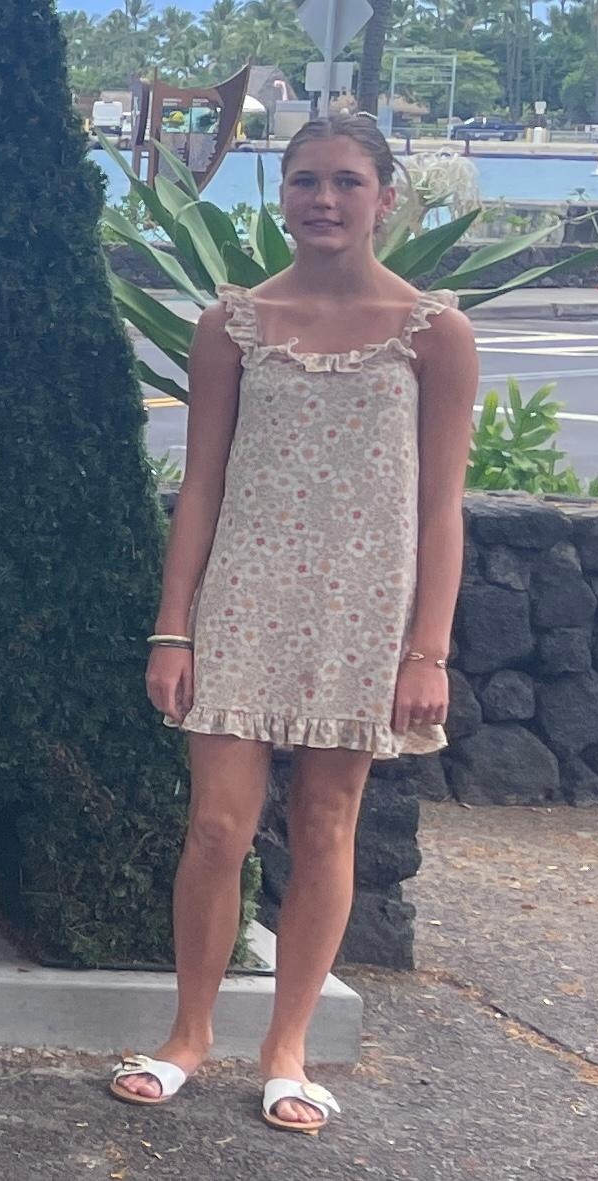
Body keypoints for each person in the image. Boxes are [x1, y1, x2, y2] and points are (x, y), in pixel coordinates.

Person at [110, 114, 466, 1137]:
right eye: (305, 180)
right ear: (281, 196)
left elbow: (442, 505)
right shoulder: (232, 323)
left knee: (324, 827)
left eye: (346, 182)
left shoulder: (434, 332)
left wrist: (425, 649)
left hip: (362, 614)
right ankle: (187, 1033)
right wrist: (171, 625)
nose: (323, 198)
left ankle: (287, 1047)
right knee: (216, 827)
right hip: (242, 599)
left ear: (384, 198)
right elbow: (202, 482)